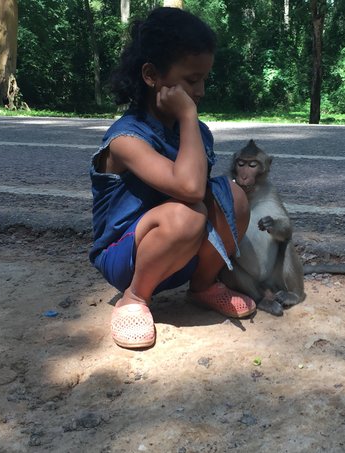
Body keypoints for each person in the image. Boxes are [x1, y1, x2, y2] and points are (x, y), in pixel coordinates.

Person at [89, 7, 256, 350]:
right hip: (126, 258)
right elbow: (189, 189)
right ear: (151, 75)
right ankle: (134, 298)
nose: (201, 90)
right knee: (186, 214)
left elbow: (205, 192)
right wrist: (188, 116)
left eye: (204, 79)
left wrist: (188, 122)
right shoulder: (126, 139)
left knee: (234, 196)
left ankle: (203, 285)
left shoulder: (194, 131)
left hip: (182, 254)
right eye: (192, 80)